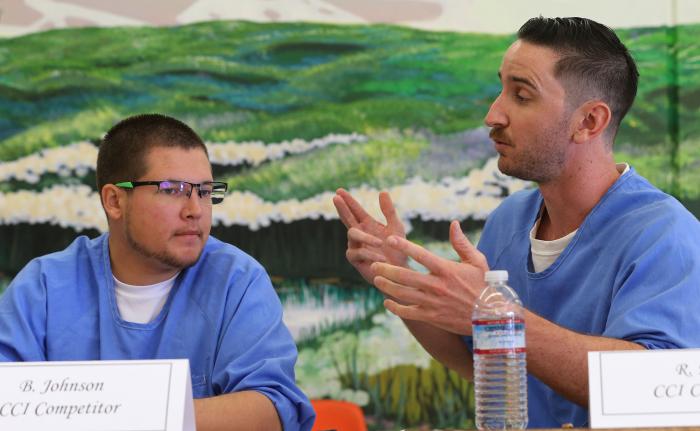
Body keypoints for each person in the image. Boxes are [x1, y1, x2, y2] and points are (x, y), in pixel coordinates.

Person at [333, 16, 700, 428]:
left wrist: (498, 315)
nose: (493, 115)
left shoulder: (665, 236)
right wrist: (395, 273)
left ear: (589, 122)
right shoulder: (509, 220)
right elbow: (483, 362)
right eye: (501, 89)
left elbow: (657, 394)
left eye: (521, 95)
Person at [0, 114, 315, 431]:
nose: (195, 209)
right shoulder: (43, 287)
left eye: (205, 191)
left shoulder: (237, 281)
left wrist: (119, 413)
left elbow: (274, 410)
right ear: (114, 200)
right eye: (172, 189)